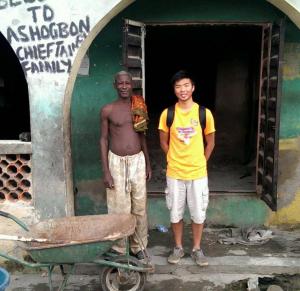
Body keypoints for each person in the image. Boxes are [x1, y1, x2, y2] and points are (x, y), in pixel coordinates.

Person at [158, 70, 215, 266]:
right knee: (175, 212)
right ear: (174, 90)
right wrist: (173, 159)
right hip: (175, 173)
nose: (182, 90)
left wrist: (202, 161)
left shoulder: (204, 113)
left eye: (185, 86)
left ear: (193, 88)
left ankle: (197, 249)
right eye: (178, 86)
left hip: (198, 173)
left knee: (198, 213)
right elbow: (163, 142)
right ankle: (178, 247)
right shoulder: (168, 114)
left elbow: (211, 142)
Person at [100, 71, 151, 260]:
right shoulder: (108, 110)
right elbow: (103, 140)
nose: (123, 86)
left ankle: (139, 246)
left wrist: (147, 163)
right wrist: (106, 171)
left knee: (139, 206)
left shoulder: (138, 106)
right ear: (115, 85)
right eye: (120, 83)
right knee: (118, 208)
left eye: (127, 83)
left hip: (137, 160)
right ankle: (120, 248)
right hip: (116, 162)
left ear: (132, 85)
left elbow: (142, 135)